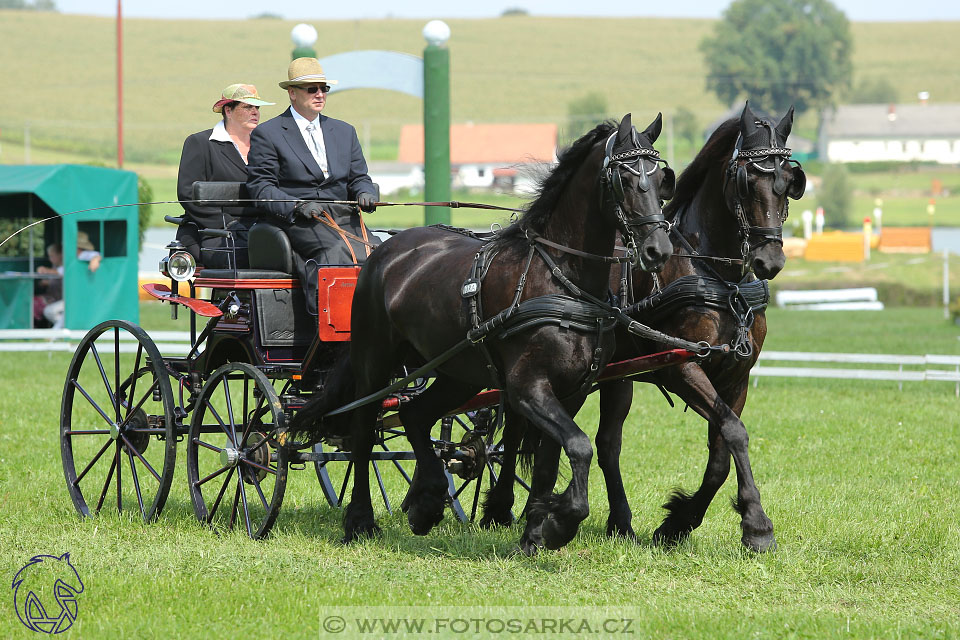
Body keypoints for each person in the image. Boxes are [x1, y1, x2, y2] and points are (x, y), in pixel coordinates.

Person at [246, 58, 379, 312]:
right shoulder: (269, 133)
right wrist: (297, 205)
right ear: (292, 93)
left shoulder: (344, 131)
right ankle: (329, 332)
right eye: (312, 89)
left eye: (324, 88)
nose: (320, 94)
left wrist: (365, 191)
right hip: (300, 220)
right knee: (335, 253)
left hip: (344, 217)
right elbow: (261, 187)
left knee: (380, 253)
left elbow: (359, 176)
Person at [176, 83, 274, 269]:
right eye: (247, 107)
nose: (255, 112)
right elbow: (187, 194)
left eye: (257, 107)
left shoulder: (267, 146)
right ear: (228, 110)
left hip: (262, 230)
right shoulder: (200, 143)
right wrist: (228, 224)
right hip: (214, 232)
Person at [34, 233, 100, 329]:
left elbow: (97, 255)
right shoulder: (72, 259)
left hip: (82, 296)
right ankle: (60, 333)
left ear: (77, 247)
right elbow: (61, 272)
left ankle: (60, 333)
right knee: (57, 314)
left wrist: (95, 260)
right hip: (74, 296)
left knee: (52, 312)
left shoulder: (82, 255)